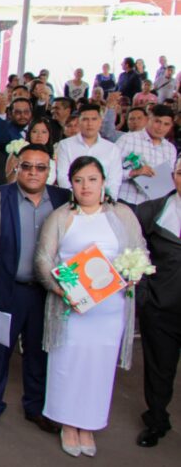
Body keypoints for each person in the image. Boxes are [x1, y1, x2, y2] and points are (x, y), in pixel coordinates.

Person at [35, 156, 144, 457]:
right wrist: (62, 290)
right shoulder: (61, 216)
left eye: (92, 179)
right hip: (72, 308)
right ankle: (68, 424)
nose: (86, 186)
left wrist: (133, 273)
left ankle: (89, 424)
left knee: (99, 368)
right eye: (79, 180)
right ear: (71, 184)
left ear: (103, 182)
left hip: (109, 310)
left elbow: (139, 250)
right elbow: (44, 260)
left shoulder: (122, 214)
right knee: (69, 365)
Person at [0, 144, 68, 436]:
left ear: (49, 171)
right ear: (17, 167)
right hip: (6, 289)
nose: (32, 172)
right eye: (26, 166)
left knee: (39, 353)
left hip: (46, 293)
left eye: (40, 167)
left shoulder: (63, 199)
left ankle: (36, 407)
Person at [133, 158, 181, 447]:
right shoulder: (152, 211)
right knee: (160, 368)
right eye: (180, 173)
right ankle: (157, 419)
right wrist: (145, 295)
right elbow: (136, 252)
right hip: (161, 307)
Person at [54, 104, 122, 199]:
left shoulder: (112, 149)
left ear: (100, 122)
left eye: (94, 119)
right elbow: (63, 176)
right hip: (72, 201)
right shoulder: (65, 145)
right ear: (79, 122)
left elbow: (114, 181)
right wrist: (75, 199)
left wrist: (107, 201)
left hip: (103, 202)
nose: (90, 123)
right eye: (85, 119)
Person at [116, 104, 176, 205]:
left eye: (166, 124)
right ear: (148, 119)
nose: (161, 127)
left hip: (153, 206)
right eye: (157, 121)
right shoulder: (128, 139)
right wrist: (133, 172)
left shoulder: (170, 149)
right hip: (126, 201)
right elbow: (109, 172)